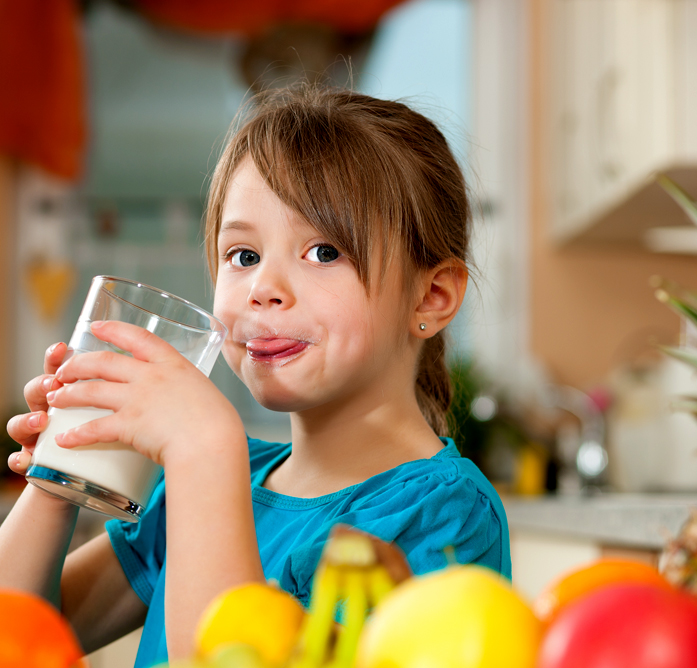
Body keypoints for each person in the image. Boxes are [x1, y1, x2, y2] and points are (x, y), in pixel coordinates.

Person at [0, 86, 510, 667]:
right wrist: (59, 478)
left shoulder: (443, 514)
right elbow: (25, 633)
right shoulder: (226, 479)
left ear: (432, 295)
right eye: (242, 256)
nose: (263, 287)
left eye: (323, 252)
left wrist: (203, 449)